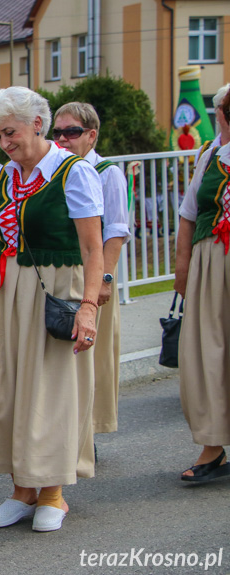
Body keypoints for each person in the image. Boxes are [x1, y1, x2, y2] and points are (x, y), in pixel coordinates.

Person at [0, 86, 104, 532]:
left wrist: (89, 307)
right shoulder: (6, 176)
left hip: (56, 288)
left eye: (10, 132)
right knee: (5, 387)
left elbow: (94, 249)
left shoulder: (73, 173)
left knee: (49, 391)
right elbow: (4, 246)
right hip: (7, 288)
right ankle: (22, 489)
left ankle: (53, 491)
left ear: (39, 124)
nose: (5, 143)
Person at [53, 102, 131, 445]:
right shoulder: (57, 170)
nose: (63, 139)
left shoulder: (107, 172)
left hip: (93, 274)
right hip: (65, 271)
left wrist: (104, 280)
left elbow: (116, 230)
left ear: (91, 135)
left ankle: (88, 432)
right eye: (57, 132)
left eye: (71, 132)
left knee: (94, 357)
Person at [174, 89, 230, 483]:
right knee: (208, 354)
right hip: (212, 260)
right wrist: (183, 270)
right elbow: (189, 214)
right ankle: (213, 447)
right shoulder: (209, 153)